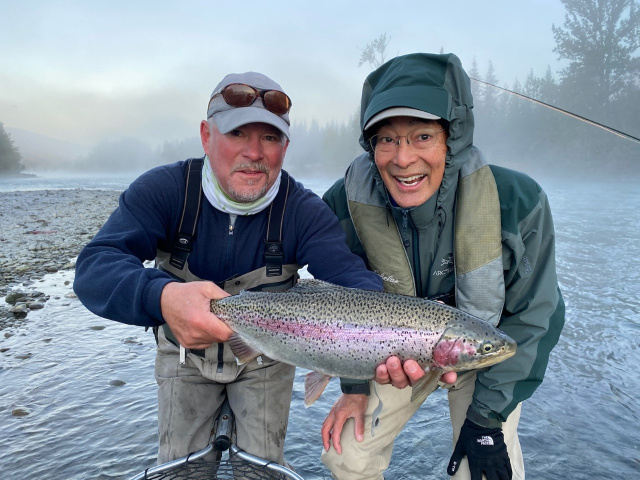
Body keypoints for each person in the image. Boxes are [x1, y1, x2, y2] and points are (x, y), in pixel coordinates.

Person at [73, 71, 383, 467]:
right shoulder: (164, 191)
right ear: (206, 136)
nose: (254, 152)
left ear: (285, 146)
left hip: (270, 357)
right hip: (183, 355)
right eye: (238, 134)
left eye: (269, 138)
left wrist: (392, 344)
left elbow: (353, 282)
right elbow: (95, 267)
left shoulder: (304, 211)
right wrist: (163, 297)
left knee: (260, 468)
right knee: (184, 468)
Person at [320, 53, 565, 480]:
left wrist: (486, 419)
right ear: (370, 145)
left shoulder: (519, 203)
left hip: (485, 353)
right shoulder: (343, 204)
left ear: (453, 138)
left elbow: (533, 318)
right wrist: (354, 387)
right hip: (384, 354)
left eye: (422, 136)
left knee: (485, 472)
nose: (402, 158)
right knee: (347, 455)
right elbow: (339, 312)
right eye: (387, 139)